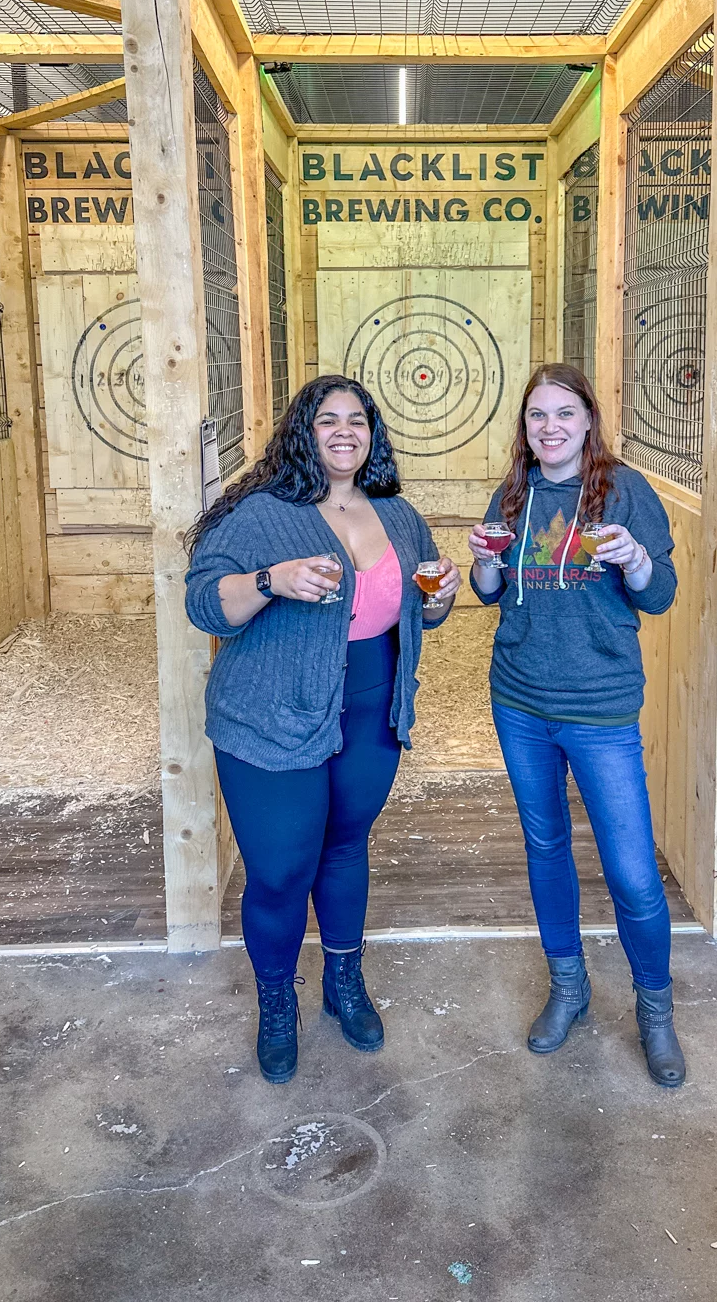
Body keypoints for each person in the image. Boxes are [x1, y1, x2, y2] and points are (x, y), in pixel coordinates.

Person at [185, 375, 460, 1085]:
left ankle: (344, 982)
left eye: (358, 420)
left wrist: (440, 601)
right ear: (302, 432)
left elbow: (419, 612)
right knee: (278, 873)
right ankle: (277, 1001)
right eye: (327, 419)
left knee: (344, 847)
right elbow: (205, 605)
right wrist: (272, 580)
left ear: (374, 433)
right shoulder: (261, 515)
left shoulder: (398, 516)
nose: (345, 431)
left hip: (371, 716)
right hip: (270, 720)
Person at [467, 364, 685, 1087]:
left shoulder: (626, 490)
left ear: (589, 419)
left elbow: (660, 597)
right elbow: (492, 593)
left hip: (600, 707)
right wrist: (482, 563)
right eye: (536, 416)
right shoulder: (514, 493)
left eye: (564, 414)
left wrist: (639, 560)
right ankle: (570, 987)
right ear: (524, 426)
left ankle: (655, 1013)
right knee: (546, 848)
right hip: (521, 700)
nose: (549, 427)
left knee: (631, 873)